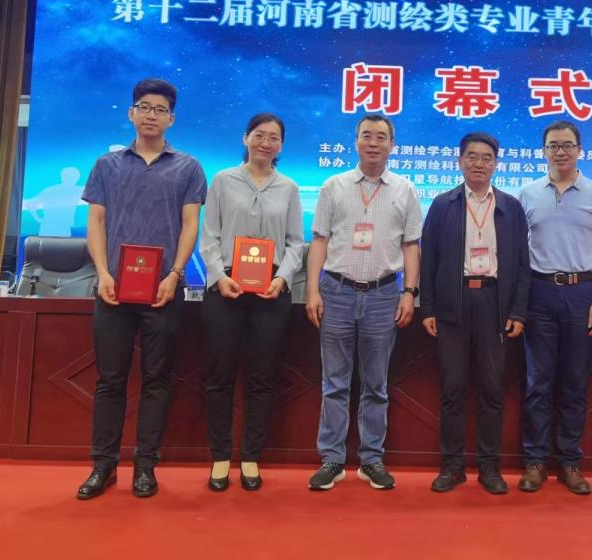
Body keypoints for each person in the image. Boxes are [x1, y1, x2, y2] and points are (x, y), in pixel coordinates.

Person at [76, 78, 207, 500]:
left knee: (157, 380)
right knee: (110, 380)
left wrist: (175, 273)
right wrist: (102, 272)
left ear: (172, 119)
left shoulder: (188, 167)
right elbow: (97, 221)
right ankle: (103, 466)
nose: (152, 115)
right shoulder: (106, 165)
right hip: (113, 290)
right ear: (131, 113)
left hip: (164, 291)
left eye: (160, 109)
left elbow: (190, 225)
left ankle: (146, 466)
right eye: (144, 107)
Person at [305, 114, 422, 490]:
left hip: (384, 295)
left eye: (381, 137)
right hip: (337, 292)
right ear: (355, 141)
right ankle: (332, 459)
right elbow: (320, 240)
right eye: (366, 136)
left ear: (392, 145)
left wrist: (409, 292)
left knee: (376, 384)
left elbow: (411, 245)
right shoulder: (333, 186)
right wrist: (312, 290)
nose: (373, 142)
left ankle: (371, 459)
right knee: (334, 382)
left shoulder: (405, 189)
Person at [420, 132, 530, 495]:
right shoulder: (443, 205)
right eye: (472, 156)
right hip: (453, 303)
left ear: (496, 164)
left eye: (486, 157)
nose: (479, 163)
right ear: (460, 161)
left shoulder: (511, 207)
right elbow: (429, 259)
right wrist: (428, 308)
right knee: (452, 389)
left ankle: (489, 466)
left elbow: (523, 263)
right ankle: (452, 466)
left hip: (494, 303)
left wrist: (518, 311)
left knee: (492, 389)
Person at [199, 112, 304, 492]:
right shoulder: (223, 180)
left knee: (262, 376)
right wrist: (219, 276)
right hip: (226, 287)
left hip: (270, 291)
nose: (266, 142)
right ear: (245, 138)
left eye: (274, 137)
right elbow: (209, 237)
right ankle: (220, 456)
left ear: (281, 145)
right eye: (259, 135)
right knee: (220, 376)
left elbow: (296, 243)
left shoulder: (289, 187)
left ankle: (251, 456)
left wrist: (281, 278)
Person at [518, 120, 592, 495]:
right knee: (538, 382)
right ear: (543, 151)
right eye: (553, 145)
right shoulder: (527, 193)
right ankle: (534, 461)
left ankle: (570, 462)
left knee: (575, 383)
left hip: (582, 293)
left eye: (567, 145)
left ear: (579, 150)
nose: (560, 151)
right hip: (539, 292)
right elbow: (517, 251)